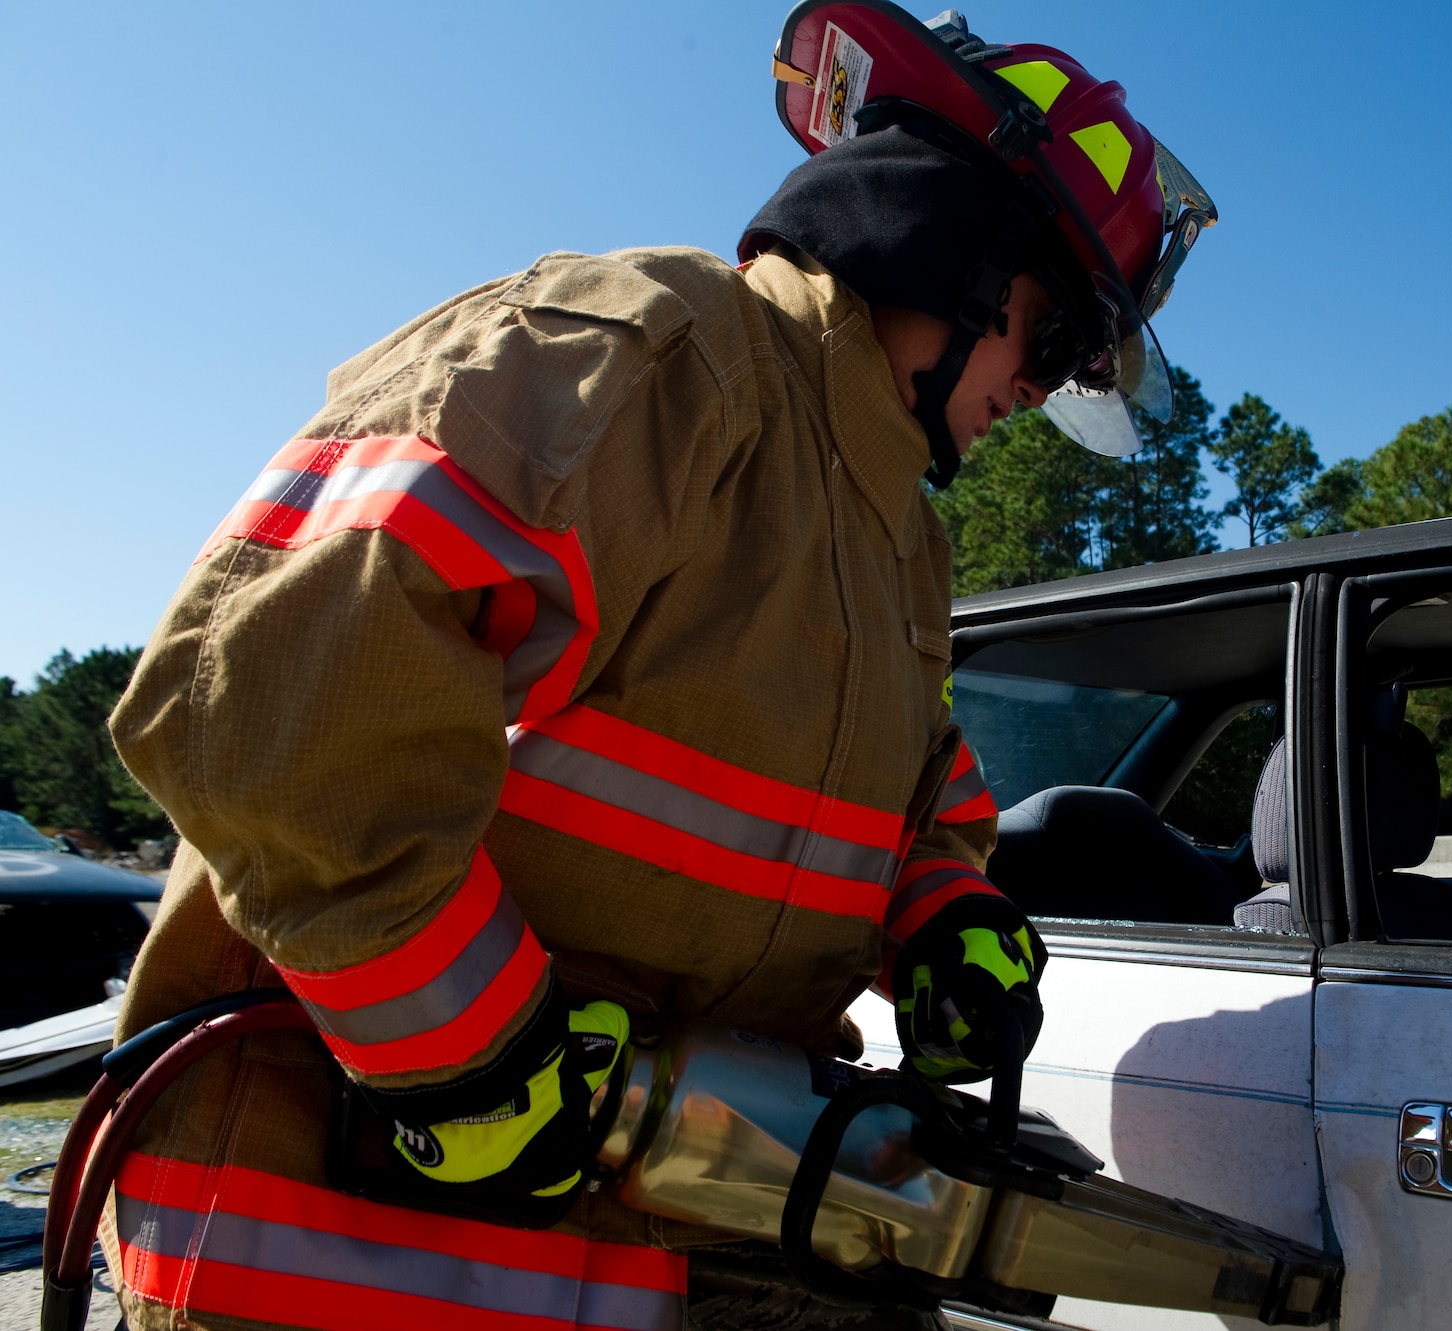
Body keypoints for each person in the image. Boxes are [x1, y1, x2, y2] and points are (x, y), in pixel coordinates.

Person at [101, 4, 1216, 1328]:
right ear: (955, 247)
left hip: (675, 1250)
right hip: (364, 1261)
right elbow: (271, 692)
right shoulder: (651, 361)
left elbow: (906, 799)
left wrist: (942, 917)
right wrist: (463, 1054)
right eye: (1055, 337)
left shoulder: (894, 532)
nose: (1046, 389)